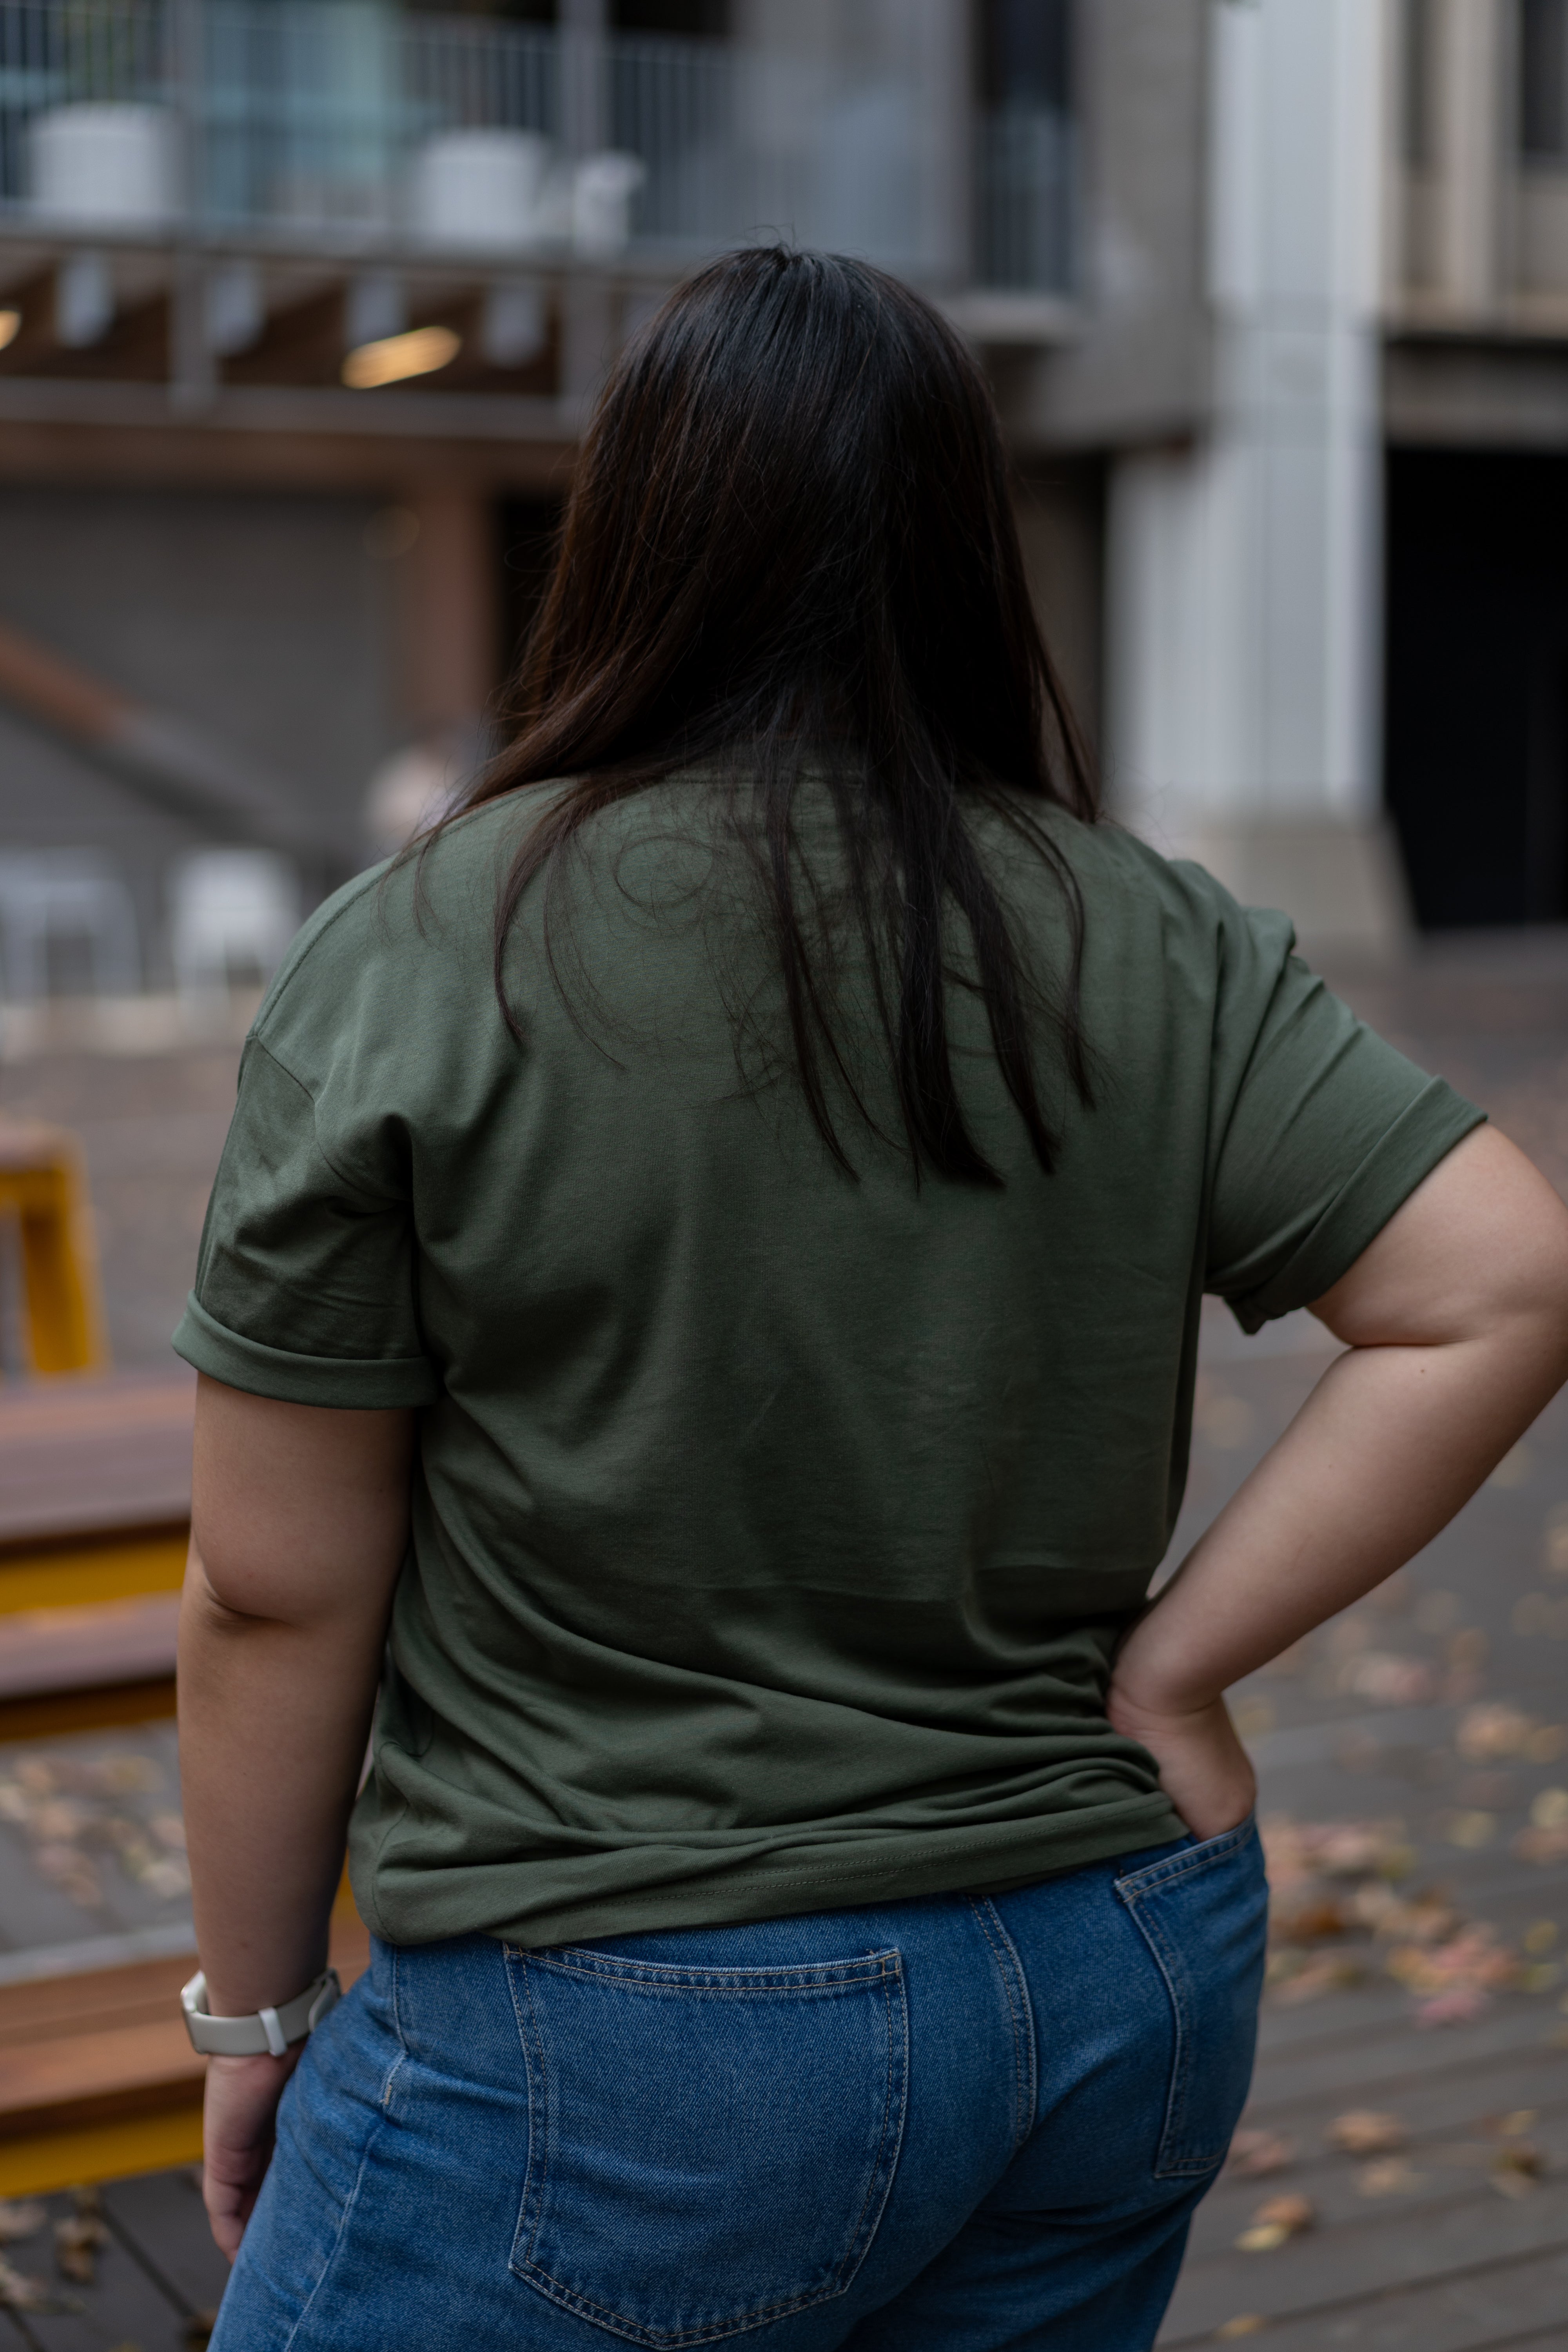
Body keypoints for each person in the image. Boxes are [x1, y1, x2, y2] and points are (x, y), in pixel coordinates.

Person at [174, 248, 1568, 2352]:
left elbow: (274, 1591)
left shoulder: (425, 944)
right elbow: (1498, 1280)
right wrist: (1177, 1672)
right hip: (1112, 1985)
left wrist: (254, 2004)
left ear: (630, 529)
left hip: (616, 2025)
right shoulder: (1148, 933)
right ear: (958, 547)